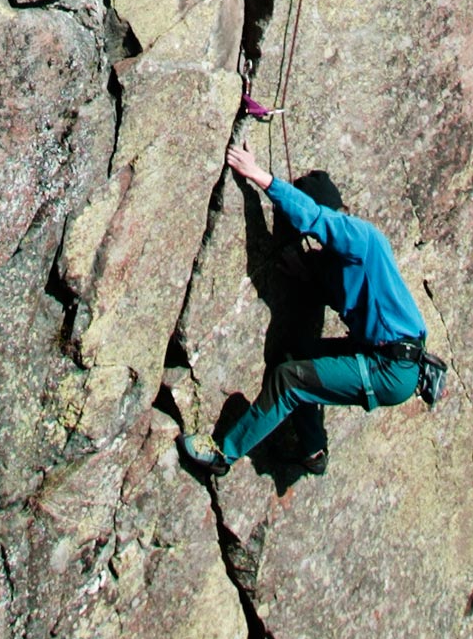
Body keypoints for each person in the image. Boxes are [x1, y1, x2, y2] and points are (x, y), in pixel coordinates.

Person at [180, 141, 431, 471]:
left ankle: (222, 454)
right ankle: (313, 449)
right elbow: (346, 293)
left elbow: (314, 218)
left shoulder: (359, 236)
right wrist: (307, 275)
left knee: (289, 380)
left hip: (389, 366)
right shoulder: (341, 264)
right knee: (296, 356)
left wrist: (257, 175)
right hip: (387, 360)